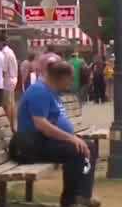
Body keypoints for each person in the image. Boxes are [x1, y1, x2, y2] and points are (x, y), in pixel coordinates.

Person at [13, 61, 100, 207]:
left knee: (90, 147)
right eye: (70, 79)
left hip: (42, 140)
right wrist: (71, 138)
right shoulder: (39, 91)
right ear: (61, 78)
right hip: (28, 145)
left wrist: (72, 138)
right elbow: (41, 124)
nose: (72, 83)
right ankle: (69, 201)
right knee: (76, 152)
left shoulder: (52, 91)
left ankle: (84, 195)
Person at [0, 36, 19, 128]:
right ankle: (12, 125)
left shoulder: (5, 52)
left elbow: (3, 70)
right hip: (12, 80)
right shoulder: (10, 51)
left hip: (7, 81)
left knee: (7, 106)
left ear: (1, 42)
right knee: (11, 105)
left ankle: (9, 126)